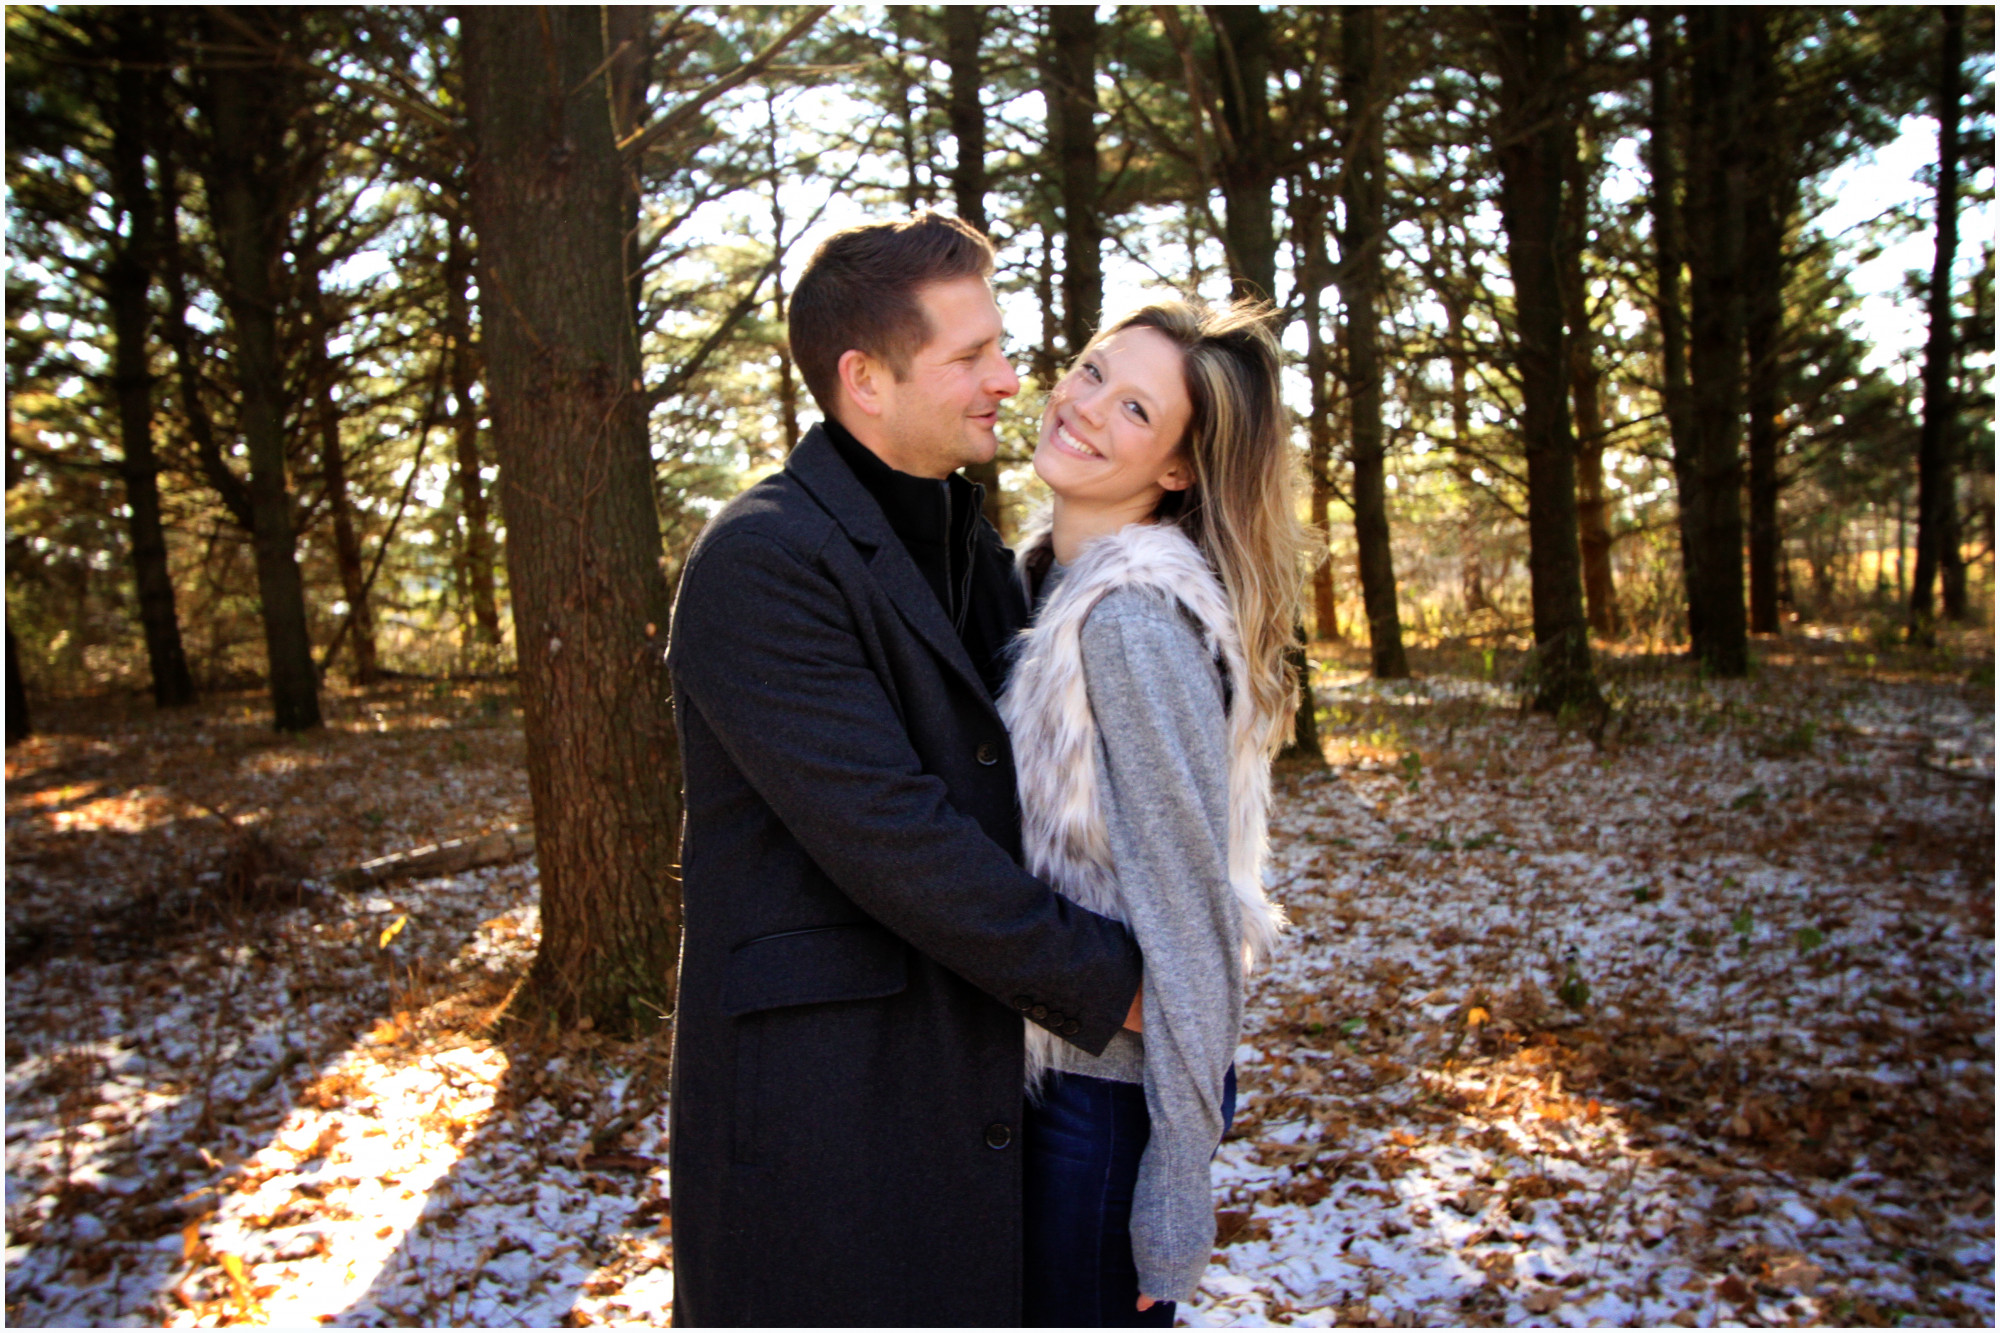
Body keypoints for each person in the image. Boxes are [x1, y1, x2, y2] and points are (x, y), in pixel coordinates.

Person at [664, 211, 1145, 1327]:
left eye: (1002, 347)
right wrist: (1111, 980)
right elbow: (896, 835)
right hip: (825, 1125)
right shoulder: (759, 560)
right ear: (864, 379)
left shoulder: (962, 539)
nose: (1009, 378)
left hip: (958, 1091)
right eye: (971, 355)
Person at [998, 299, 1304, 1325]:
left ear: (1176, 469)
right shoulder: (1037, 586)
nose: (1079, 406)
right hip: (1037, 1085)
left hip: (1106, 1107)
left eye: (1131, 407)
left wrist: (1175, 1193)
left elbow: (1190, 921)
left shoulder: (1128, 620)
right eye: (1088, 370)